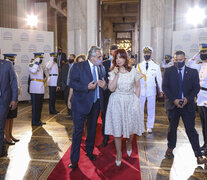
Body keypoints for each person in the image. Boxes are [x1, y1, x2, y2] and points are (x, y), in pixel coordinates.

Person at [162, 50, 207, 164]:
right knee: (172, 129)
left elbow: (196, 88)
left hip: (188, 106)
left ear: (185, 60)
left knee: (191, 130)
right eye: (176, 60)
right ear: (174, 60)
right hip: (173, 105)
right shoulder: (168, 71)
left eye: (180, 60)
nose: (178, 62)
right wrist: (175, 100)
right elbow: (165, 88)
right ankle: (170, 149)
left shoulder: (192, 72)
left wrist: (187, 99)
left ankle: (198, 155)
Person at [68, 46, 106, 169]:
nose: (101, 59)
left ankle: (89, 152)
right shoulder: (78, 66)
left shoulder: (100, 68)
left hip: (95, 104)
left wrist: (104, 86)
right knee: (78, 132)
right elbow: (72, 83)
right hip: (80, 104)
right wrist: (86, 87)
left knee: (92, 130)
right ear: (92, 57)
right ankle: (74, 160)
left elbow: (103, 85)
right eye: (99, 57)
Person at [104, 49, 144, 166]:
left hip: (130, 101)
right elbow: (111, 89)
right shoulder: (113, 72)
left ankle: (129, 143)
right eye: (116, 58)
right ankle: (119, 153)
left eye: (121, 57)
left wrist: (136, 100)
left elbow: (138, 87)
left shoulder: (134, 71)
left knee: (131, 128)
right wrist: (116, 75)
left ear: (125, 58)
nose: (118, 60)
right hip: (116, 102)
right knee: (117, 129)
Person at [137, 46, 163, 133]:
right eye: (145, 53)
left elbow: (159, 79)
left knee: (151, 109)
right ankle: (140, 126)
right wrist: (134, 91)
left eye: (148, 53)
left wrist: (161, 90)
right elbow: (136, 79)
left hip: (151, 91)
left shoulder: (156, 66)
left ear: (151, 54)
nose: (146, 55)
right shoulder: (139, 66)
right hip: (141, 91)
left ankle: (149, 126)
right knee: (140, 109)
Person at [188, 43, 207, 152]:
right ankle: (205, 144)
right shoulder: (201, 65)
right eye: (202, 52)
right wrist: (197, 54)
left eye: (205, 52)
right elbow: (190, 63)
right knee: (203, 124)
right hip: (200, 98)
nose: (203, 54)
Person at [0, 55, 18, 157]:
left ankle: (1, 151)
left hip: (3, 101)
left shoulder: (7, 65)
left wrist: (14, 99)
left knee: (1, 126)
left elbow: (14, 83)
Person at [101, 44, 118, 147]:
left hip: (118, 94)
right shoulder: (104, 64)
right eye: (111, 53)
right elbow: (102, 77)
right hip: (106, 93)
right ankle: (105, 136)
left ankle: (117, 136)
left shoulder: (121, 64)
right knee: (105, 116)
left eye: (115, 53)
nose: (113, 55)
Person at [3, 54, 20, 145]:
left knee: (11, 117)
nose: (13, 62)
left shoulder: (13, 69)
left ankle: (10, 134)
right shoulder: (4, 69)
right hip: (7, 98)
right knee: (7, 118)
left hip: (13, 97)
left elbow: (15, 82)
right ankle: (7, 137)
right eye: (11, 60)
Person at [28, 52, 46, 126]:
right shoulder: (31, 64)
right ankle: (34, 121)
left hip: (41, 87)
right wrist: (36, 62)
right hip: (35, 88)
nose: (41, 59)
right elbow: (33, 71)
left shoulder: (40, 66)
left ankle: (38, 120)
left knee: (40, 106)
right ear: (36, 57)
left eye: (41, 58)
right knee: (35, 106)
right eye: (40, 58)